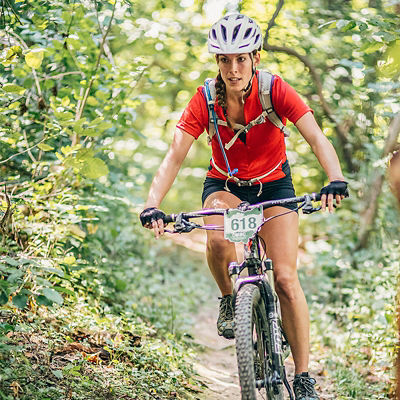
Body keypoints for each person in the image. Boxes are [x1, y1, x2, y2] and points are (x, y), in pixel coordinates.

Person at [140, 14, 348, 400]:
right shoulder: (204, 99)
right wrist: (152, 204)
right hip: (225, 185)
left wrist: (334, 178)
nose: (233, 69)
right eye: (224, 60)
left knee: (285, 278)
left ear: (255, 57)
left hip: (273, 185)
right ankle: (227, 300)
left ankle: (303, 377)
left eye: (241, 59)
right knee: (218, 240)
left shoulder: (275, 90)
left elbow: (316, 137)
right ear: (216, 62)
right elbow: (174, 156)